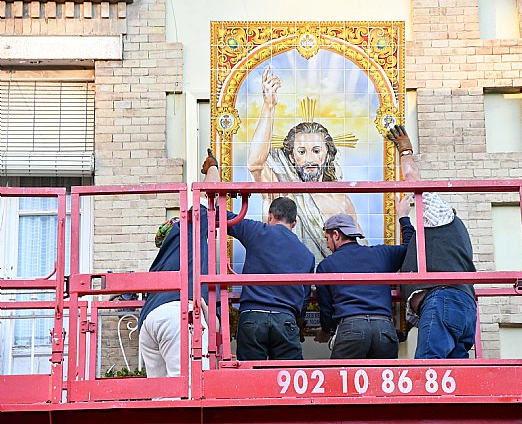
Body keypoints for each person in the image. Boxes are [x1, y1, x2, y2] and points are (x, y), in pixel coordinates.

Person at [248, 67, 362, 260]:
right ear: (292, 157)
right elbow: (255, 164)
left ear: (327, 155)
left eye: (316, 151)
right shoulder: (282, 186)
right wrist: (269, 105)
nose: (309, 158)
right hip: (291, 283)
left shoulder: (341, 200)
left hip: (330, 284)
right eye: (302, 152)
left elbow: (355, 252)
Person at [387, 124, 477, 359]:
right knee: (454, 380)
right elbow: (411, 246)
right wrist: (402, 218)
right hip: (462, 308)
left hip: (443, 301)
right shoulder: (442, 236)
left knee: (427, 371)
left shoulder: (440, 213)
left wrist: (405, 152)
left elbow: (412, 180)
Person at [138, 156, 219, 377]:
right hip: (178, 316)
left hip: (149, 322)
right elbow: (208, 190)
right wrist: (213, 166)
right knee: (192, 389)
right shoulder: (188, 229)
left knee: (162, 397)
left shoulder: (161, 262)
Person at [314, 197, 414, 359]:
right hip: (384, 330)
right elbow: (411, 249)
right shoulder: (381, 254)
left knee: (341, 383)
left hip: (351, 330)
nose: (327, 245)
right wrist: (403, 217)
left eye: (327, 239)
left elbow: (326, 309)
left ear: (336, 235)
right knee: (381, 383)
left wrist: (326, 331)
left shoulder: (326, 266)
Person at [227, 195, 315, 361]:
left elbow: (224, 218)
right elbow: (304, 298)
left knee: (251, 380)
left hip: (252, 316)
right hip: (285, 319)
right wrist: (298, 321)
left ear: (270, 216)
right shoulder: (307, 255)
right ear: (294, 223)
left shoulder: (256, 231)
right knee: (287, 378)